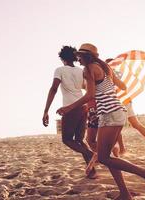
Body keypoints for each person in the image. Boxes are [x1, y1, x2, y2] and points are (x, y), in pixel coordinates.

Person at [57, 43, 145, 199]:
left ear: (86, 56)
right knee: (110, 157)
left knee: (104, 158)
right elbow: (123, 86)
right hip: (117, 112)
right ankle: (124, 193)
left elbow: (90, 95)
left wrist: (69, 108)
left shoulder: (89, 69)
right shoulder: (106, 68)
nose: (77, 59)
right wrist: (105, 91)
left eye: (79, 56)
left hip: (110, 114)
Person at [42, 45, 97, 179]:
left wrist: (46, 111)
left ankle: (91, 155)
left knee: (67, 139)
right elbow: (85, 87)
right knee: (79, 139)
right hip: (83, 106)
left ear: (62, 58)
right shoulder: (80, 70)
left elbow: (54, 89)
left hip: (71, 107)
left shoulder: (60, 70)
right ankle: (92, 171)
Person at [105, 58, 145, 156]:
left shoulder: (114, 74)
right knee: (130, 124)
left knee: (121, 125)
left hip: (122, 101)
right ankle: (124, 149)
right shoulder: (116, 73)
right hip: (121, 101)